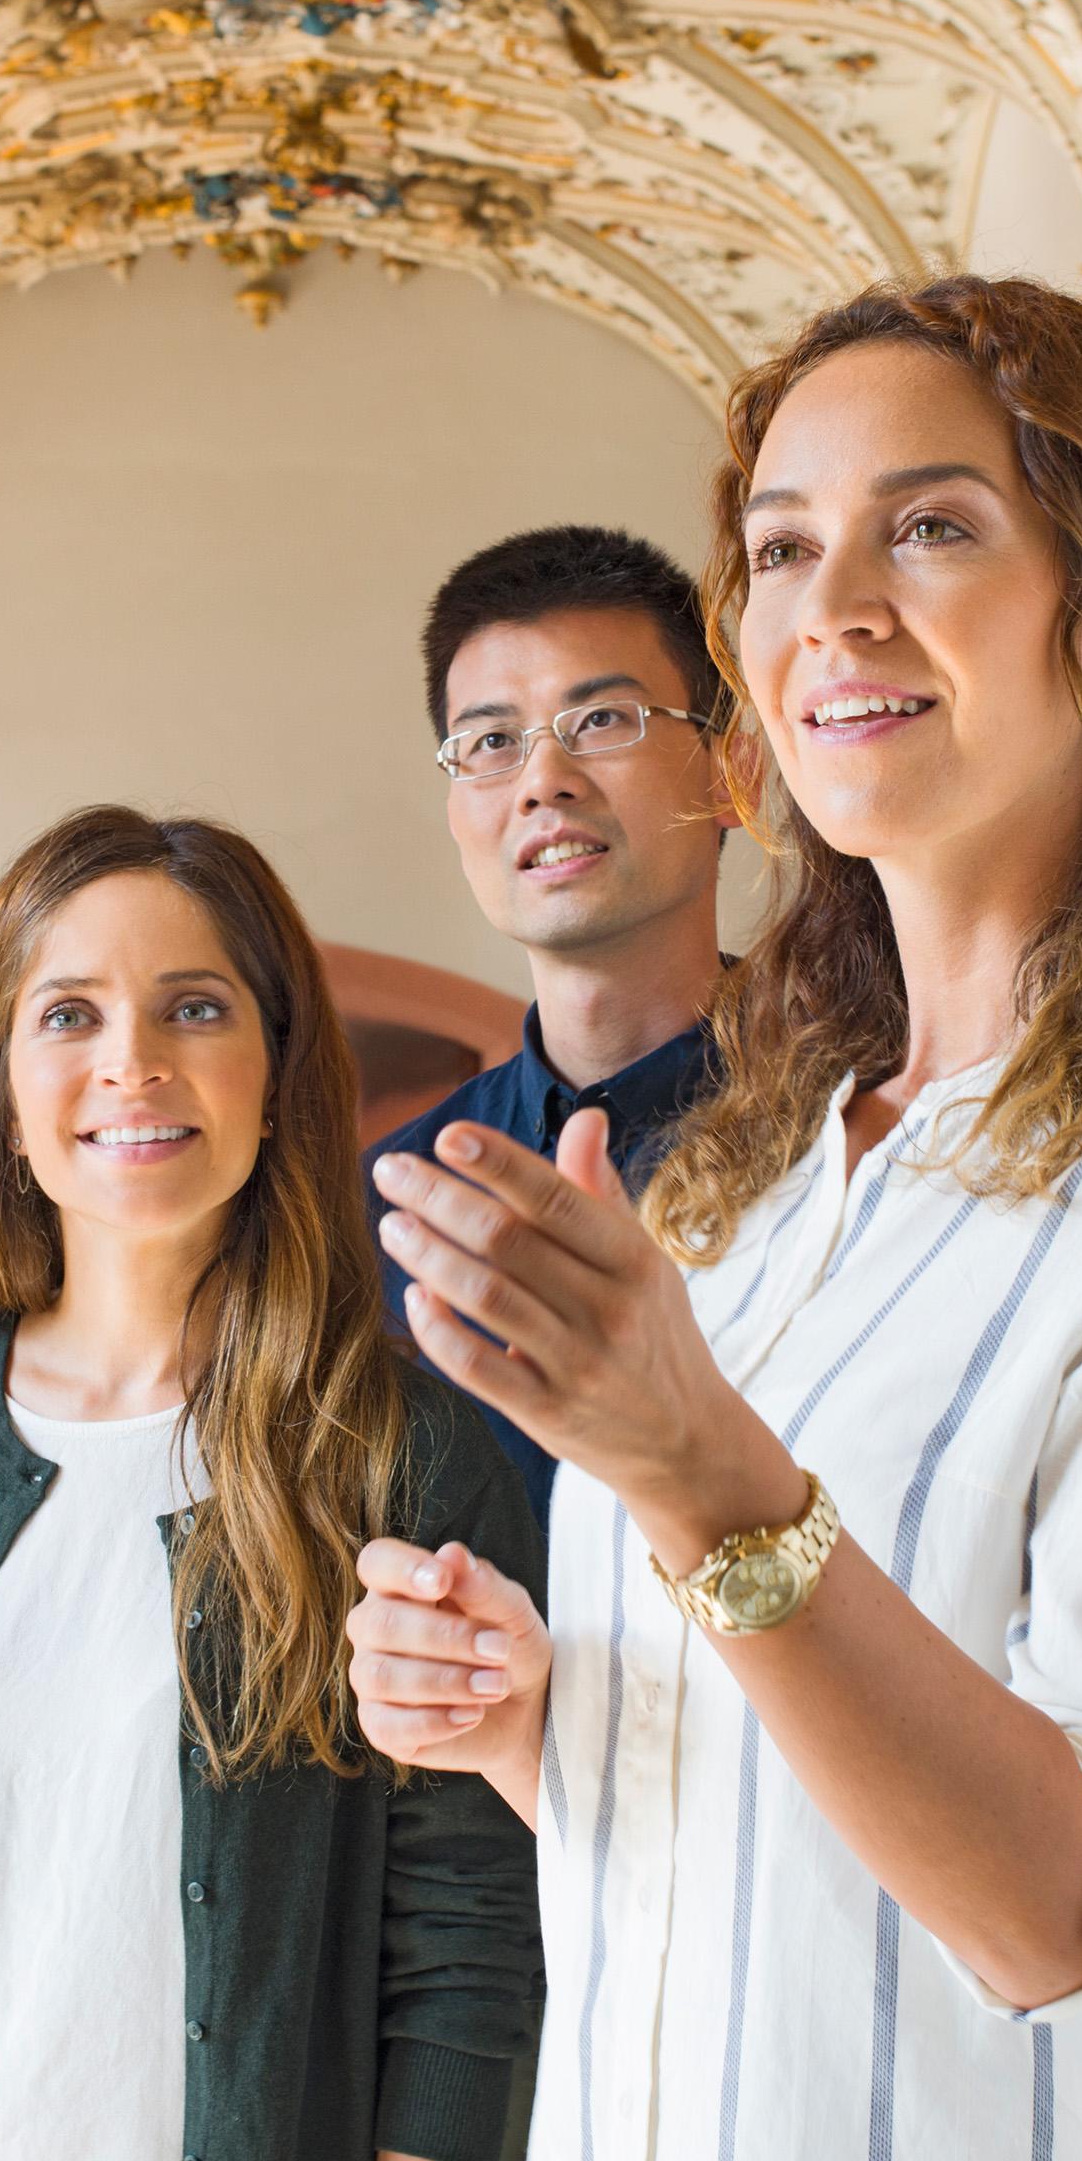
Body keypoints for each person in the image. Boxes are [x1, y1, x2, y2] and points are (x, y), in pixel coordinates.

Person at [347, 276, 1082, 2161]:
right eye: (780, 549)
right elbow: (766, 1822)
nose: (830, 605)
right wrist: (530, 1719)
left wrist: (697, 1476)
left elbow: (1067, 1900)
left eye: (929, 525)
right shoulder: (755, 1181)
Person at [0, 808, 543, 2161]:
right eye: (70, 1014)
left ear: (279, 1071)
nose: (133, 1062)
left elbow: (460, 1950)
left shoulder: (402, 1461)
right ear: (0, 1086)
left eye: (196, 1007)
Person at [365, 526, 734, 1525]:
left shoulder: (869, 1121)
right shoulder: (394, 1206)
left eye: (603, 718)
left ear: (730, 772)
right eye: (490, 743)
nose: (543, 781)